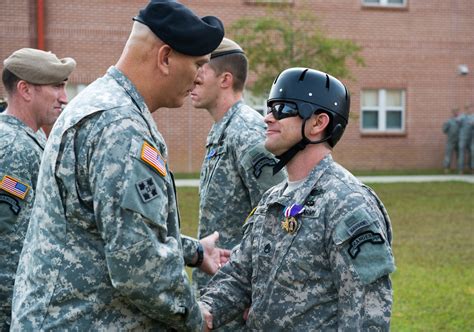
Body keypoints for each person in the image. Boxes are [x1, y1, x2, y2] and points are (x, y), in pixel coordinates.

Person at [11, 1, 227, 330]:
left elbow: (107, 225)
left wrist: (195, 251)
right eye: (197, 64)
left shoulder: (104, 102)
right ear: (165, 57)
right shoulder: (120, 125)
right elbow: (138, 264)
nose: (199, 78)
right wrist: (195, 317)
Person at [199, 68, 396, 330]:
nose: (267, 118)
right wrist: (202, 312)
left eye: (281, 109)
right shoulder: (272, 200)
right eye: (269, 108)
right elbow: (238, 277)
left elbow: (366, 314)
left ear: (318, 123)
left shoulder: (348, 203)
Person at [190, 38, 285, 297]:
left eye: (199, 75)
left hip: (239, 292)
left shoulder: (247, 132)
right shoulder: (222, 129)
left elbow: (278, 215)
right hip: (218, 286)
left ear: (225, 80)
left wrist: (259, 290)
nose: (191, 80)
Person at [0, 48, 75, 331]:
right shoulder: (12, 147)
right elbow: (8, 243)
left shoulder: (26, 139)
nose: (64, 98)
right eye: (56, 86)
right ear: (25, 90)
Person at [442, 107, 460, 173]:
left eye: (457, 111)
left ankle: (459, 169)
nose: (456, 113)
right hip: (450, 140)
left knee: (459, 155)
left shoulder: (460, 120)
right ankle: (446, 168)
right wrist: (450, 133)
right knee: (448, 154)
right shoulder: (449, 121)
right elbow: (444, 130)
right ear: (452, 112)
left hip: (459, 140)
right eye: (455, 111)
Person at [458, 106, 472, 174]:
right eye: (467, 108)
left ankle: (471, 168)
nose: (469, 110)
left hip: (471, 138)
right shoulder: (462, 116)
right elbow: (457, 122)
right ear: (465, 109)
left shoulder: (473, 116)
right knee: (462, 153)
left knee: (472, 153)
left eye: (470, 108)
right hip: (463, 137)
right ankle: (461, 170)